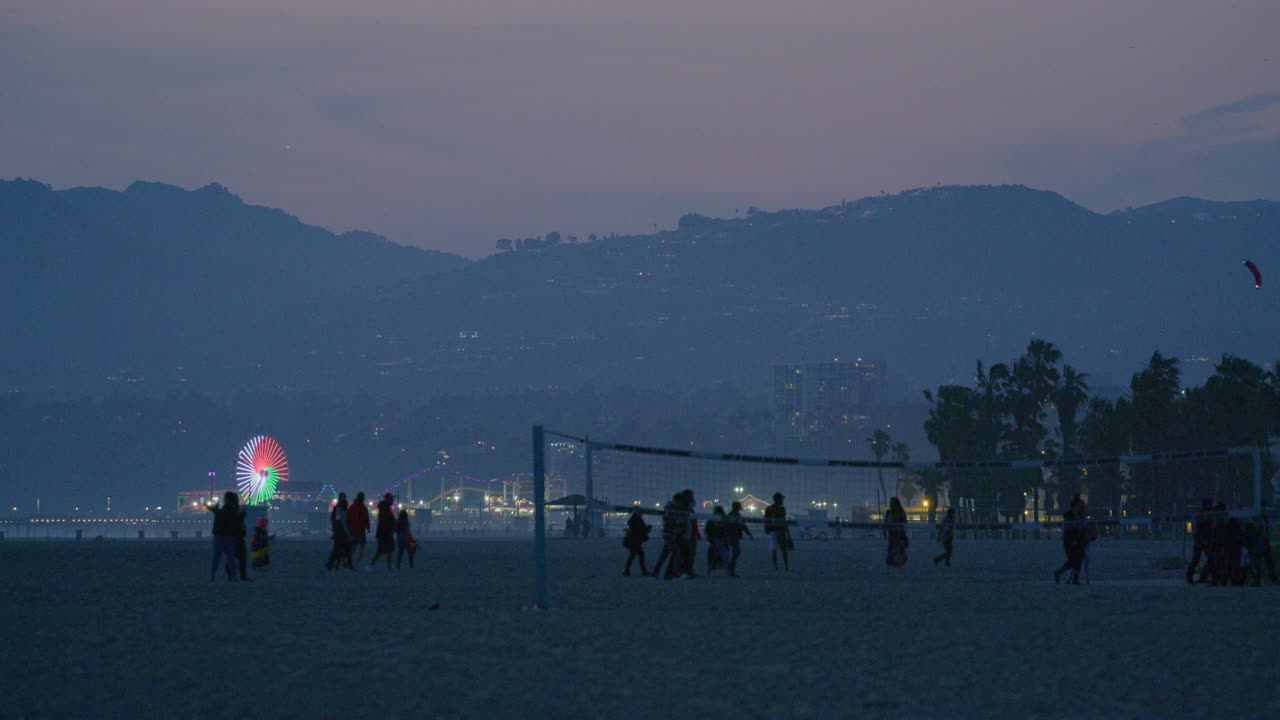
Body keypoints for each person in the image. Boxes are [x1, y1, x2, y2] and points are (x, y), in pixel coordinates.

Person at [207, 491, 242, 581]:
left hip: (219, 536)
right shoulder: (234, 510)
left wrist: (215, 510)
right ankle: (234, 576)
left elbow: (219, 519)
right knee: (231, 558)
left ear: (226, 499)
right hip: (230, 536)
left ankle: (212, 576)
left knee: (216, 558)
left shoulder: (223, 510)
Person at [1055, 495, 1088, 584]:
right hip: (1070, 541)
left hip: (1079, 540)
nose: (1081, 508)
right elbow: (1069, 530)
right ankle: (1060, 573)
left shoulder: (1081, 516)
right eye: (1080, 507)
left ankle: (1073, 578)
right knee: (1073, 560)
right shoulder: (1068, 516)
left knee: (1078, 559)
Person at [651, 493, 685, 579]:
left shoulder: (673, 509)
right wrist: (677, 522)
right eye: (679, 502)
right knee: (676, 553)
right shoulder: (670, 509)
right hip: (668, 533)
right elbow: (668, 520)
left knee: (664, 555)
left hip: (671, 533)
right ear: (675, 501)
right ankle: (678, 572)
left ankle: (655, 572)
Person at [1186, 498, 1214, 584]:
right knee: (1209, 559)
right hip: (1203, 539)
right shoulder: (1206, 515)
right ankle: (1200, 577)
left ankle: (1194, 577)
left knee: (1198, 559)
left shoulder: (1204, 514)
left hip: (1201, 539)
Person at [724, 501, 753, 577]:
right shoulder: (732, 515)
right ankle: (730, 568)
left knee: (736, 552)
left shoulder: (737, 515)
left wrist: (748, 534)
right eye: (739, 506)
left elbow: (743, 526)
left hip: (735, 536)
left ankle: (731, 568)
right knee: (736, 552)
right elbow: (741, 526)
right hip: (732, 536)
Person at [326, 493, 354, 571]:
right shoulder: (342, 511)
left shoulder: (336, 509)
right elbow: (343, 523)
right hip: (342, 534)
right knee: (347, 550)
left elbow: (334, 521)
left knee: (337, 550)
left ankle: (331, 564)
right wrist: (349, 534)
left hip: (337, 533)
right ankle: (348, 566)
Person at [368, 493, 396, 569]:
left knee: (383, 550)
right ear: (388, 499)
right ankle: (373, 565)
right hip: (385, 533)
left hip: (383, 532)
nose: (393, 500)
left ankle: (372, 565)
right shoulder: (386, 509)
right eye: (391, 499)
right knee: (386, 550)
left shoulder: (385, 508)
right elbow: (387, 521)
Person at [764, 492, 790, 571]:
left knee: (774, 549)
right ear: (777, 499)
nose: (782, 500)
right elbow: (783, 521)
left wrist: (766, 529)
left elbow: (766, 520)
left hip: (773, 531)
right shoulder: (781, 509)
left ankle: (776, 567)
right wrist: (787, 532)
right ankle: (785, 567)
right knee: (783, 550)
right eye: (781, 498)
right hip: (779, 530)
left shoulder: (769, 508)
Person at [622, 507, 651, 576]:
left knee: (633, 555)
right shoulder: (638, 520)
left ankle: (627, 570)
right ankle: (643, 571)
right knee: (639, 555)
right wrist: (647, 529)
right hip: (635, 540)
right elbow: (641, 529)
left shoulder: (634, 520)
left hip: (633, 540)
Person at [348, 492, 371, 565]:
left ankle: (350, 560)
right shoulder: (363, 508)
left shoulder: (352, 507)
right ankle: (357, 561)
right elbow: (366, 518)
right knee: (361, 546)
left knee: (354, 545)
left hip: (354, 528)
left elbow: (349, 517)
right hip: (360, 529)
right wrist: (368, 527)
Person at [704, 506, 729, 575]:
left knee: (713, 556)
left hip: (716, 539)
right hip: (718, 540)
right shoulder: (724, 519)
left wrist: (707, 538)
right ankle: (726, 570)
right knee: (724, 555)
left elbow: (707, 530)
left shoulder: (712, 519)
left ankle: (709, 570)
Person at [885, 496, 908, 568]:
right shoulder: (889, 512)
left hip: (899, 534)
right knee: (891, 549)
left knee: (899, 550)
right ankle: (891, 563)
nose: (890, 504)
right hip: (892, 534)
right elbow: (886, 522)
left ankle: (898, 564)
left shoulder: (900, 512)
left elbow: (904, 522)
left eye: (891, 503)